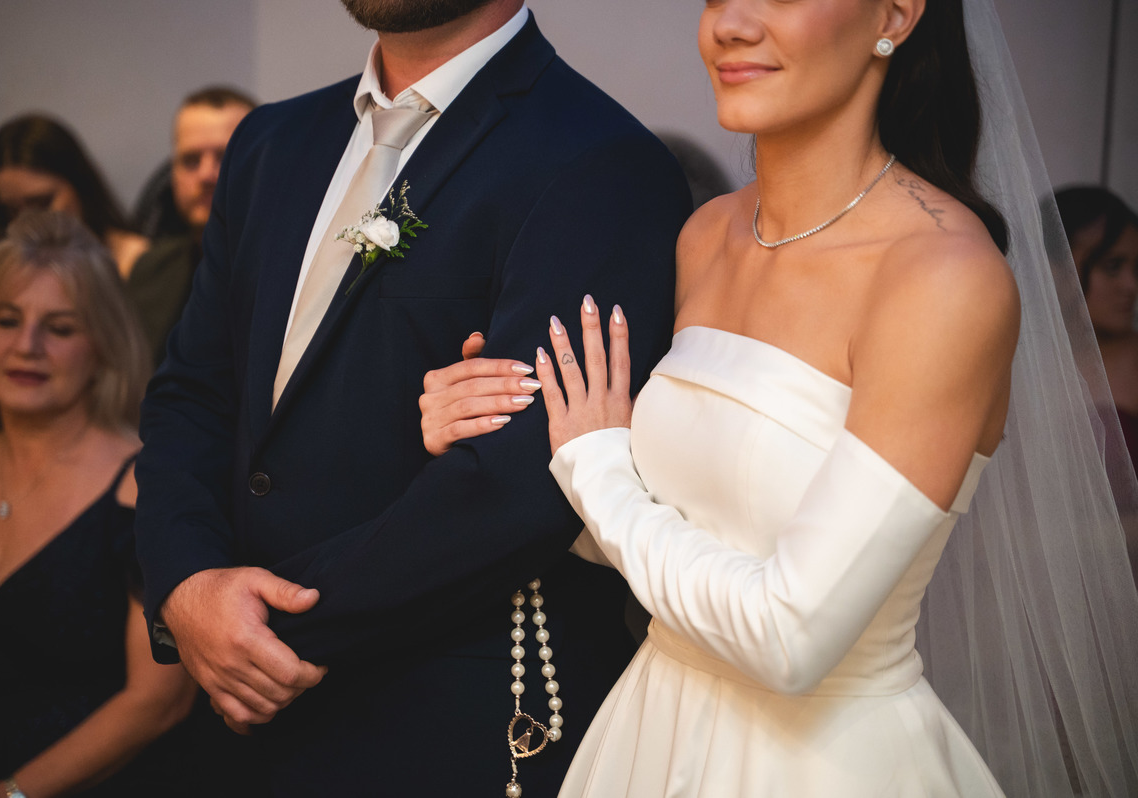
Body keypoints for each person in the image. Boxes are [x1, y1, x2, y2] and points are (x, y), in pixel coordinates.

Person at [419, 0, 1138, 795]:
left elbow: (790, 640)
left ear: (896, 15)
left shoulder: (943, 278)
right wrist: (502, 426)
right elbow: (640, 536)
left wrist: (595, 466)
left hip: (820, 762)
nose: (730, 23)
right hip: (648, 732)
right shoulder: (707, 235)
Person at [132, 1, 690, 796]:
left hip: (442, 726)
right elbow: (191, 395)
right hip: (234, 727)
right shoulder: (268, 143)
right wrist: (188, 586)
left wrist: (259, 628)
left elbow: (518, 483)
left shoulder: (599, 160)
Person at [0, 211, 197, 797]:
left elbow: (159, 702)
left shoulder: (145, 486)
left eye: (58, 328)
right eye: (6, 320)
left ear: (104, 346)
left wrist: (3, 795)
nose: (26, 346)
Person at [126, 87, 257, 365]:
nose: (206, 175)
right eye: (190, 161)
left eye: (225, 156)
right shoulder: (150, 269)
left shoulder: (294, 270)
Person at [0, 115, 149, 280]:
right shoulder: (8, 272)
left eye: (42, 203)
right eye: (13, 210)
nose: (29, 223)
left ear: (79, 184)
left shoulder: (136, 262)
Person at [1055, 188, 1138, 456]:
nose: (1131, 285)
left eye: (1136, 269)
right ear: (1055, 269)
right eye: (1112, 266)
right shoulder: (1019, 359)